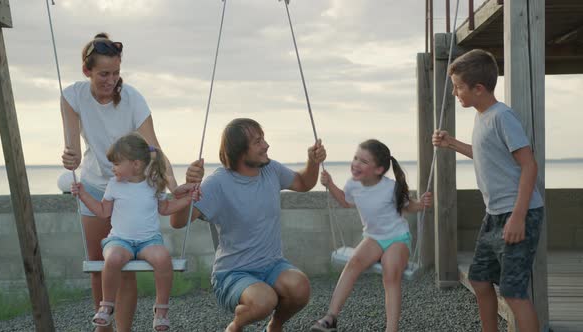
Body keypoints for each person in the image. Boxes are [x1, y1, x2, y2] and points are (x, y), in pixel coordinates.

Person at [60, 33, 203, 331]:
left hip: (133, 183)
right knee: (101, 267)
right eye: (103, 74)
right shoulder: (72, 96)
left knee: (127, 271)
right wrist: (70, 158)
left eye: (115, 73)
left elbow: (154, 149)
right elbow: (72, 144)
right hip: (98, 184)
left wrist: (173, 185)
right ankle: (104, 327)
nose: (111, 80)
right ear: (87, 71)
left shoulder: (133, 99)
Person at [170, 118, 326, 332]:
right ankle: (235, 327)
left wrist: (313, 161)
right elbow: (178, 222)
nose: (266, 145)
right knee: (264, 300)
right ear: (240, 151)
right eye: (258, 141)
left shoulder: (271, 170)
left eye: (263, 139)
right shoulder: (218, 183)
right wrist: (189, 189)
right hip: (232, 274)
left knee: (300, 288)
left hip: (272, 265)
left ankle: (275, 327)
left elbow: (304, 183)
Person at [432, 49, 544, 332]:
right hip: (494, 214)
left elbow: (529, 166)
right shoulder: (481, 116)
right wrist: (451, 144)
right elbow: (485, 154)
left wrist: (518, 217)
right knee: (480, 279)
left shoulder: (501, 116)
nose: (456, 93)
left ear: (478, 89)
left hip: (519, 212)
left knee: (513, 291)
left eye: (459, 87)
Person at [71, 133, 199, 331]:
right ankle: (107, 305)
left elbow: (165, 208)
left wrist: (188, 200)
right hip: (120, 240)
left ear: (136, 165)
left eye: (116, 164)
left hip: (149, 241)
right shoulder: (114, 185)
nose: (112, 168)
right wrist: (83, 194)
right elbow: (103, 211)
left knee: (163, 258)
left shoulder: (153, 184)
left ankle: (161, 309)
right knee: (112, 259)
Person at [310, 139, 432, 332]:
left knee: (390, 271)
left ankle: (391, 329)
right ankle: (330, 317)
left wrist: (421, 204)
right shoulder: (352, 185)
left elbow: (408, 206)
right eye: (355, 158)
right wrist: (331, 184)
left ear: (379, 169)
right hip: (373, 238)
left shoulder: (390, 187)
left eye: (363, 161)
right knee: (353, 263)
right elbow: (345, 201)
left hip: (397, 239)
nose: (356, 163)